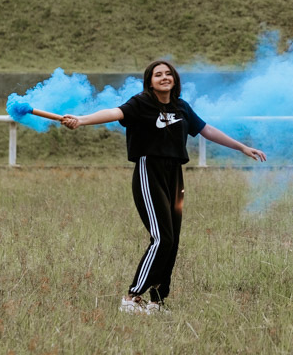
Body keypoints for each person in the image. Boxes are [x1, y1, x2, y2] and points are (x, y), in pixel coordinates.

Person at [61, 59, 266, 316]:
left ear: (175, 79)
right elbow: (114, 113)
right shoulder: (140, 103)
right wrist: (81, 120)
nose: (164, 77)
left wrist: (242, 147)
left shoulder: (182, 107)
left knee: (172, 240)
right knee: (162, 238)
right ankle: (132, 296)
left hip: (175, 174)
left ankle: (157, 301)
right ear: (150, 81)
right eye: (158, 74)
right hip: (150, 170)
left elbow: (207, 130)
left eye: (168, 73)